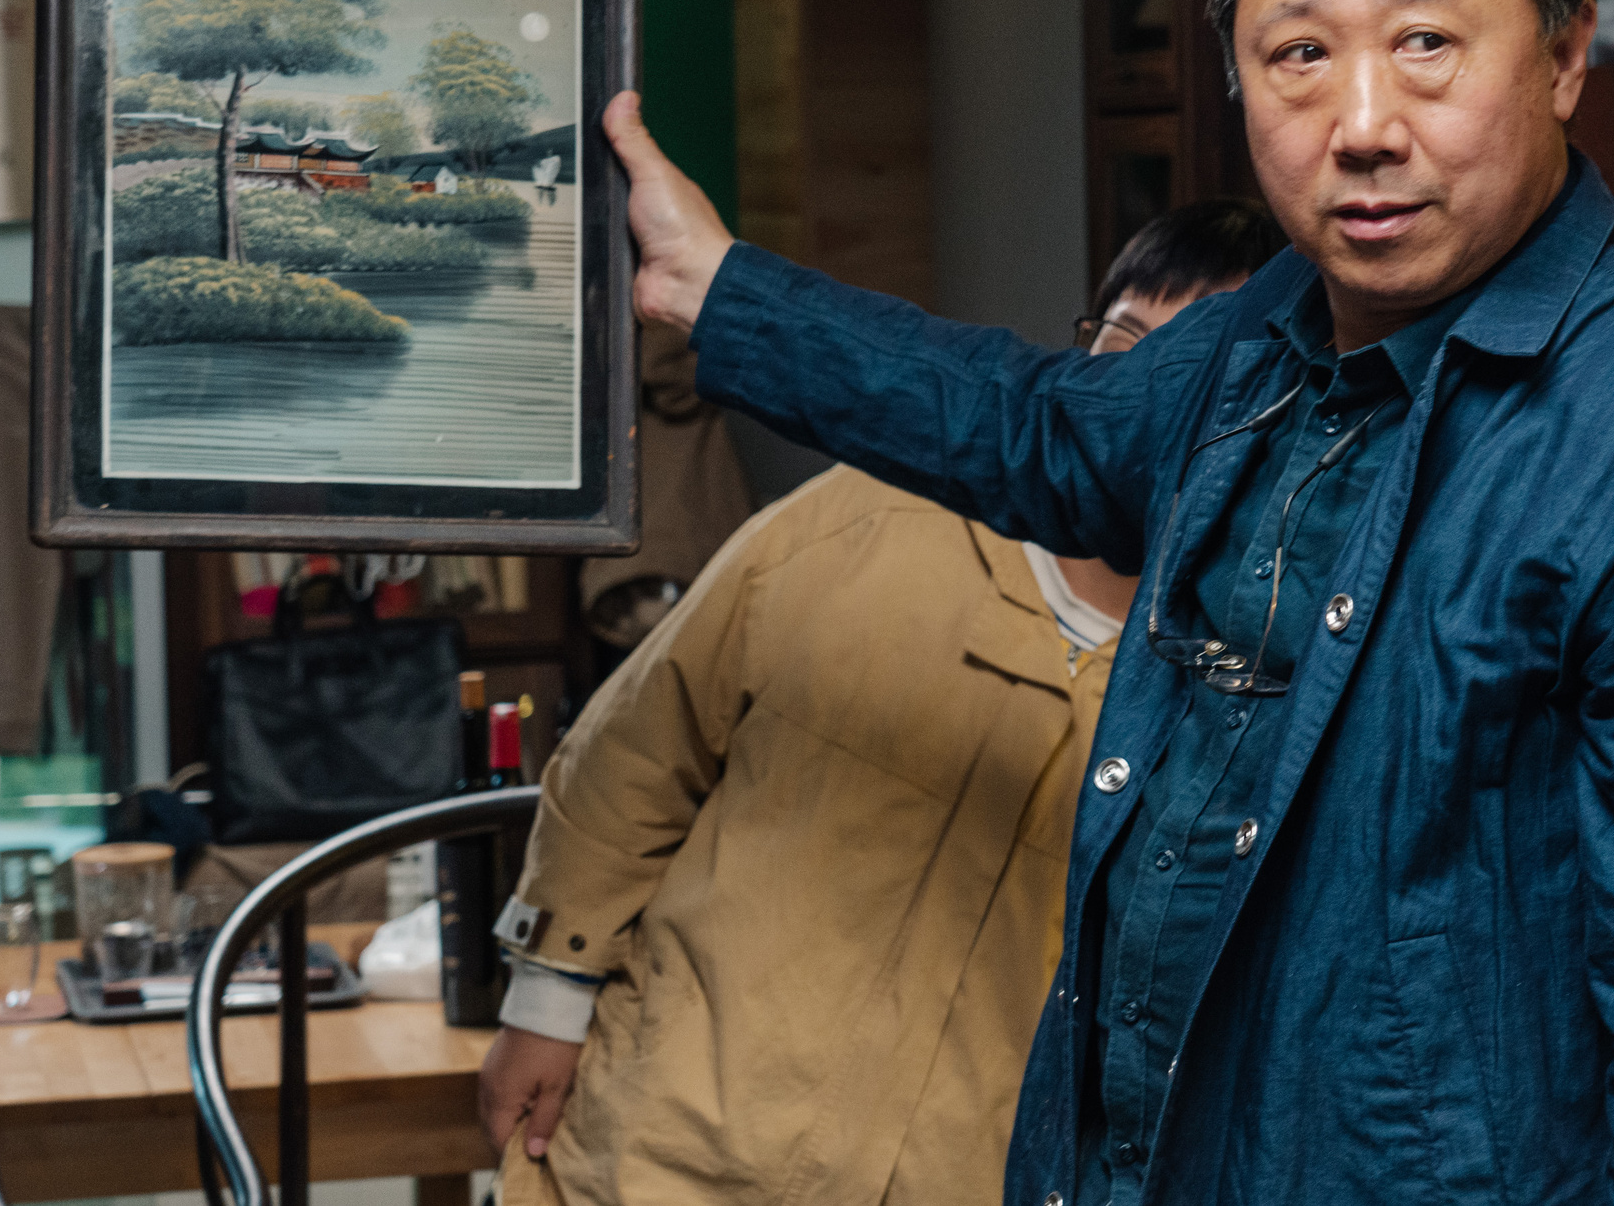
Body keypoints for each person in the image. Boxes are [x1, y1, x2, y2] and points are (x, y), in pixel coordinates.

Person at [599, 0, 1614, 1205]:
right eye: (1297, 55)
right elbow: (1049, 433)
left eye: (1426, 43)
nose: (1361, 122)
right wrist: (719, 289)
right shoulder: (1273, 331)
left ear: (1563, 56)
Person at [476, 200, 1286, 1206]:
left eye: (1190, 379)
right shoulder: (863, 515)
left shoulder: (1256, 671)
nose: (1136, 400)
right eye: (1122, 344)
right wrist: (546, 1000)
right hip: (660, 1153)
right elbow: (636, 751)